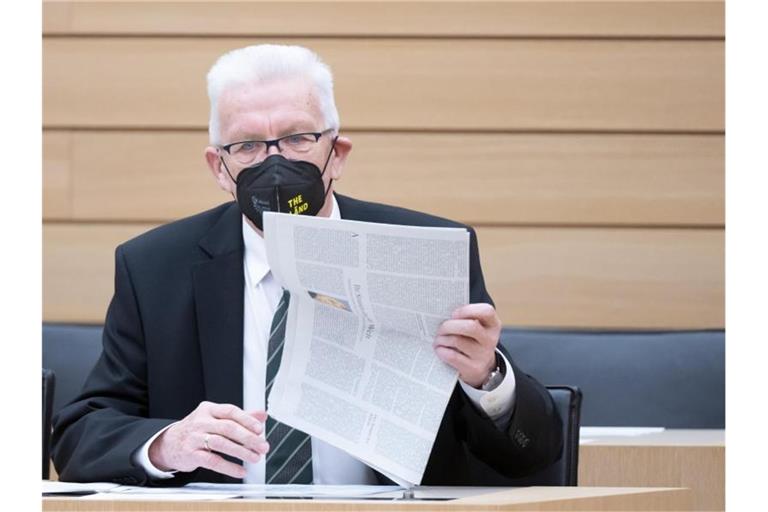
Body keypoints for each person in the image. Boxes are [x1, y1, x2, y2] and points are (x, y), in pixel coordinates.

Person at [51, 44, 562, 486]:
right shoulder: (154, 268)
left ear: (336, 153)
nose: (274, 162)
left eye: (297, 139)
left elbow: (532, 453)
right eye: (248, 145)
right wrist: (165, 444)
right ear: (219, 168)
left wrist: (487, 380)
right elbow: (79, 435)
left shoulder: (424, 249)